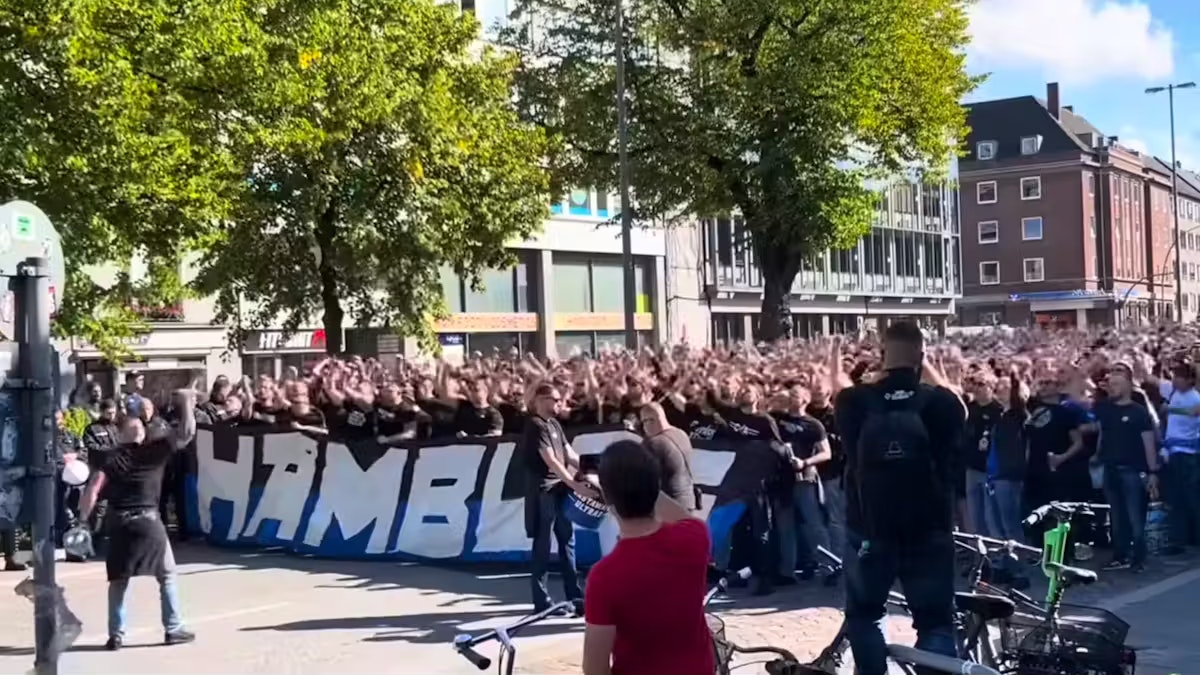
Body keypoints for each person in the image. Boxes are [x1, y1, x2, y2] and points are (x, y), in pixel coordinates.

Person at [834, 321, 965, 675]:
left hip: (869, 530)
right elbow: (959, 410)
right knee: (935, 623)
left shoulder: (853, 402)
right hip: (929, 530)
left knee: (865, 615)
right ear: (922, 357)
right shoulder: (942, 404)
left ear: (881, 355)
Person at [78, 389, 199, 650]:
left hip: (119, 523)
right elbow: (187, 433)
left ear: (120, 434)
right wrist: (186, 403)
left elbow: (92, 490)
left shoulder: (110, 457)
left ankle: (116, 635)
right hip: (148, 522)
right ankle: (173, 628)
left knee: (118, 581)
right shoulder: (155, 451)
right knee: (166, 574)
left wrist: (81, 522)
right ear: (142, 433)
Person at [582, 440, 713, 675]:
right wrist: (642, 477)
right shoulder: (694, 537)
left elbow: (594, 668)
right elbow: (682, 516)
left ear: (607, 497)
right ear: (655, 485)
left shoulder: (605, 576)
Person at [521, 383, 586, 614]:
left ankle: (576, 598)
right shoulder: (535, 425)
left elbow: (568, 454)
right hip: (543, 491)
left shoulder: (554, 424)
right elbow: (551, 460)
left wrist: (593, 469)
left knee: (567, 542)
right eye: (555, 399)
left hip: (559, 490)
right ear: (540, 399)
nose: (559, 403)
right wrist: (573, 482)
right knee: (543, 544)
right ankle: (541, 602)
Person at [1090, 368, 1160, 572]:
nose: (1113, 388)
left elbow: (1149, 443)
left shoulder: (1138, 412)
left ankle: (1139, 558)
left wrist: (1152, 472)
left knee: (1135, 517)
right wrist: (1097, 454)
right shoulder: (1104, 408)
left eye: (1117, 384)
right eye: (1111, 384)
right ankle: (1120, 555)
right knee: (1116, 516)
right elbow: (1103, 431)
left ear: (1129, 384)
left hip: (1132, 471)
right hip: (1110, 468)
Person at [1156, 364, 1200, 554]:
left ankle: (1192, 536)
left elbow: (1193, 415)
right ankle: (1180, 539)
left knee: (1190, 497)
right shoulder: (1174, 393)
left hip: (1187, 454)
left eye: (1180, 377)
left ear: (1190, 380)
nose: (1175, 380)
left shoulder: (1194, 399)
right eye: (1174, 376)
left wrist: (1171, 411)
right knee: (1176, 498)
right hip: (1173, 452)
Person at [637, 402, 699, 510]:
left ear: (651, 420)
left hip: (667, 505)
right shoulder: (681, 434)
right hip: (688, 501)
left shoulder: (654, 443)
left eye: (644, 422)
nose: (644, 427)